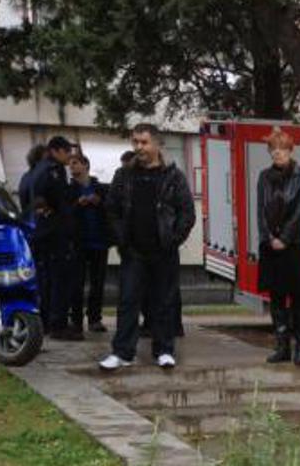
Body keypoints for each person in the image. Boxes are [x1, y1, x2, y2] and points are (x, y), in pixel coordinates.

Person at [99, 123, 195, 371]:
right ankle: (122, 353)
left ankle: (164, 351)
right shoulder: (124, 175)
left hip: (164, 251)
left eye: (144, 142)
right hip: (133, 252)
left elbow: (187, 212)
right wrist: (121, 239)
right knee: (127, 302)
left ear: (157, 144)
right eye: (135, 142)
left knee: (164, 303)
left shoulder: (173, 176)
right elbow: (111, 209)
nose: (139, 147)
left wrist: (173, 240)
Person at [255, 127, 300, 365]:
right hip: (271, 246)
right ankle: (282, 347)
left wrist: (285, 238)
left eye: (282, 149)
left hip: (295, 245)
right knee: (277, 299)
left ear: (291, 150)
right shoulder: (263, 177)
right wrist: (269, 238)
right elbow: (260, 211)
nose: (277, 153)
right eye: (273, 149)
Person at [33, 135, 82, 341]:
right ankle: (58, 324)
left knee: (47, 280)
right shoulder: (54, 170)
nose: (69, 156)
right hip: (55, 233)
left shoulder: (37, 169)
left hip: (44, 232)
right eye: (67, 151)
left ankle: (47, 321)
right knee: (60, 280)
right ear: (56, 150)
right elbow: (57, 200)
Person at [67, 152, 109, 334]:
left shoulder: (100, 187)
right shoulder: (69, 189)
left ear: (85, 165)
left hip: (99, 241)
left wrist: (99, 202)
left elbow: (111, 209)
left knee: (97, 283)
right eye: (70, 164)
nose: (71, 166)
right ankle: (76, 320)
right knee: (76, 282)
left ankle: (94, 318)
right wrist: (78, 203)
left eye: (75, 163)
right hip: (79, 242)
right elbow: (65, 213)